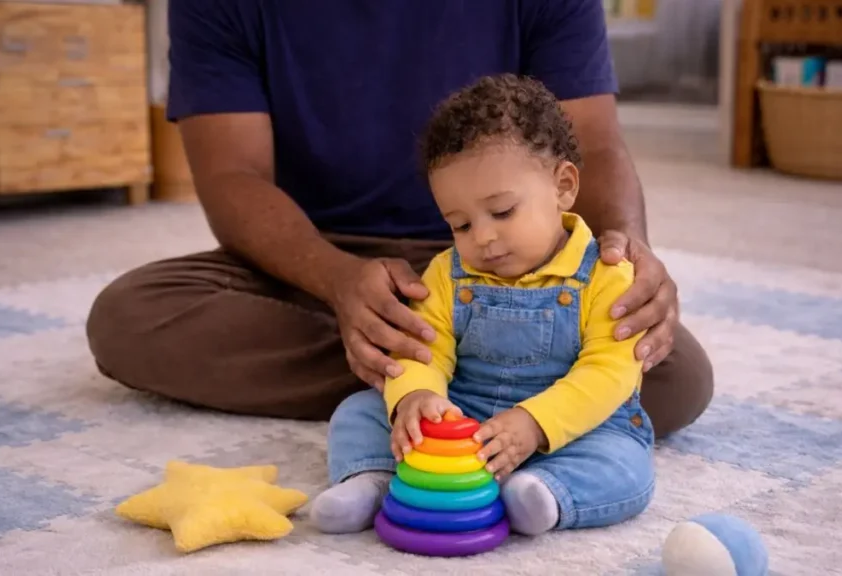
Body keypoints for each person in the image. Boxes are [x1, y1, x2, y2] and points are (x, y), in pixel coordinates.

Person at [85, 1, 713, 438]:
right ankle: (481, 376)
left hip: (515, 269)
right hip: (319, 262)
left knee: (670, 371)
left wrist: (627, 257)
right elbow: (232, 177)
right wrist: (337, 280)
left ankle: (422, 382)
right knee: (131, 316)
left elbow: (592, 146)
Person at [310, 73, 655, 536]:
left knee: (624, 462)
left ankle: (545, 493)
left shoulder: (608, 275)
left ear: (564, 186)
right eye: (460, 224)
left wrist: (534, 424)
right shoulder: (448, 274)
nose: (484, 238)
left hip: (574, 430)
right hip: (464, 418)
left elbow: (608, 374)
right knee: (359, 412)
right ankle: (373, 479)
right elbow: (422, 346)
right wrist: (418, 397)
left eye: (503, 212)